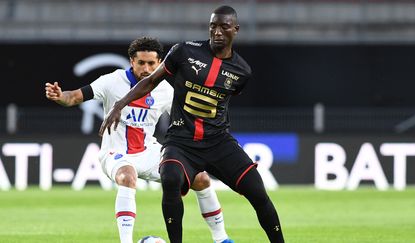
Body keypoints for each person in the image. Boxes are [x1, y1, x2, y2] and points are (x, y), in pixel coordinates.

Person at [99, 6, 285, 243]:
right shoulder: (184, 51)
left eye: (224, 26)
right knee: (170, 179)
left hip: (218, 141)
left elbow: (223, 102)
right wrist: (119, 104)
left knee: (258, 192)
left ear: (235, 30)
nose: (217, 31)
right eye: (213, 26)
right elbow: (151, 82)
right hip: (181, 141)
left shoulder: (242, 72)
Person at [45, 37, 233, 243]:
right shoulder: (111, 81)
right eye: (141, 63)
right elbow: (74, 97)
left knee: (201, 178)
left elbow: (190, 122)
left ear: (160, 63)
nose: (146, 68)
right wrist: (60, 96)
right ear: (131, 61)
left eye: (152, 63)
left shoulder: (165, 90)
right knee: (127, 176)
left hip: (148, 152)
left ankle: (221, 238)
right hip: (115, 153)